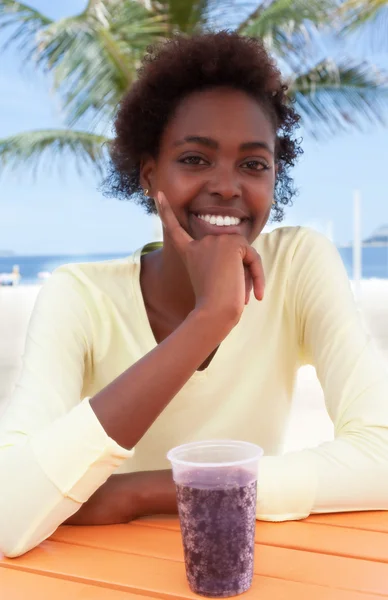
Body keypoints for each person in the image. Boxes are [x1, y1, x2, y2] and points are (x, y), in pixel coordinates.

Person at [1, 31, 388, 559]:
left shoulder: (298, 264)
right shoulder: (80, 297)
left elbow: (382, 454)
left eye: (253, 164)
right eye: (195, 159)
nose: (227, 186)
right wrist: (208, 319)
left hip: (238, 565)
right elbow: (7, 510)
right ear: (149, 175)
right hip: (103, 572)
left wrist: (142, 492)